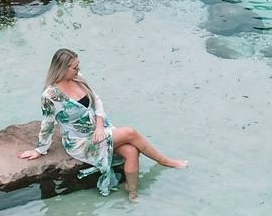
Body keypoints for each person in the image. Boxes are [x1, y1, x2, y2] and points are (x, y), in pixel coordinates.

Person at [20, 47, 186, 200]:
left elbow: (96, 101)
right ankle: (165, 161)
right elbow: (48, 123)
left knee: (131, 151)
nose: (78, 70)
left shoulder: (79, 79)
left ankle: (132, 191)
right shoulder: (50, 95)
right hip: (81, 141)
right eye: (74, 67)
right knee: (130, 133)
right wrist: (40, 150)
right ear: (62, 68)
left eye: (78, 66)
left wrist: (100, 126)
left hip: (100, 130)